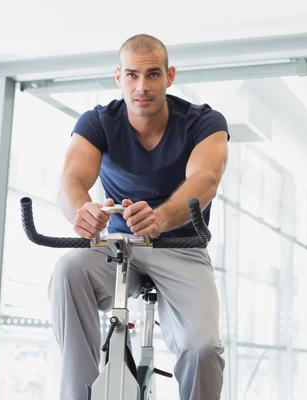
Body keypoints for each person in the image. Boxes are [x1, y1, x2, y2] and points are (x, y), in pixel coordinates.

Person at [49, 33, 229, 400]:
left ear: (170, 76)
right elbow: (72, 178)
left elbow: (206, 179)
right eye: (132, 75)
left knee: (203, 347)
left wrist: (161, 219)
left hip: (181, 244)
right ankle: (79, 393)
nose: (141, 86)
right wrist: (81, 211)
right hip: (118, 245)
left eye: (152, 75)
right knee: (68, 270)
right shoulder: (98, 121)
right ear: (119, 77)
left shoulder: (203, 121)